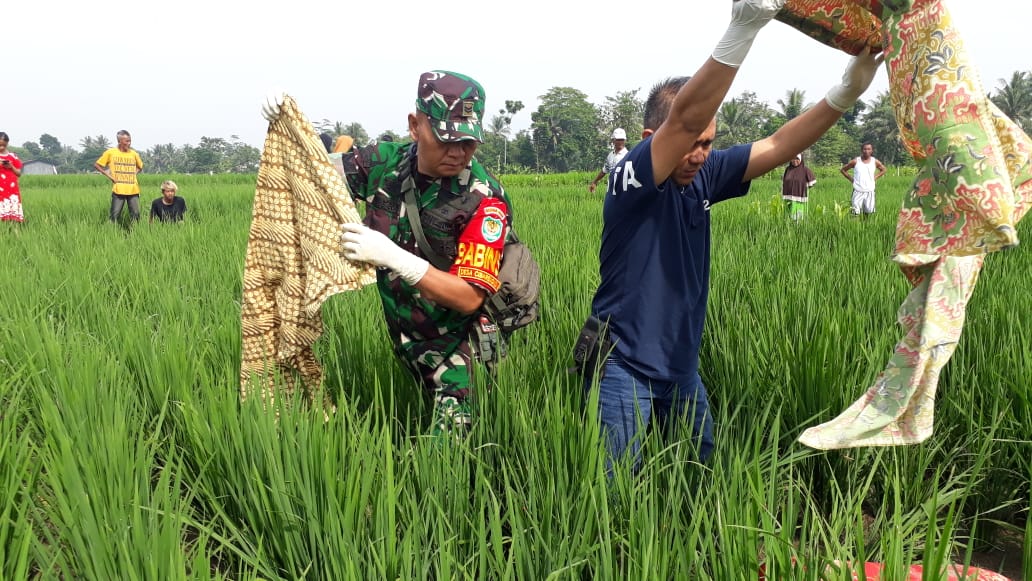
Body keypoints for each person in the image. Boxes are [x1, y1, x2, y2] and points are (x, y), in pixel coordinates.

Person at [582, 0, 883, 472]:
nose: (700, 153)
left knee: (701, 479)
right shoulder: (630, 178)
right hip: (623, 366)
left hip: (681, 368)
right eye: (691, 143)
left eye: (709, 143)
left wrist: (845, 93)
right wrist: (742, 30)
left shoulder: (703, 174)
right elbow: (682, 121)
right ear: (648, 137)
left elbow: (780, 144)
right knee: (616, 495)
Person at [262, 70, 510, 436]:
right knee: (416, 419)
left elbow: (469, 297)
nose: (457, 153)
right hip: (408, 334)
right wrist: (286, 124)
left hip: (462, 345)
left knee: (448, 457)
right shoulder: (383, 163)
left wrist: (397, 259)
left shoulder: (484, 199)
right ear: (415, 125)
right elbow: (312, 177)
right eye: (445, 139)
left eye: (468, 143)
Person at [94, 130, 144, 223]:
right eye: (126, 141)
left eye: (130, 141)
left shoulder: (133, 154)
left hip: (133, 189)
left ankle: (135, 233)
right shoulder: (111, 152)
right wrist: (110, 177)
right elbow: (97, 165)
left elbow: (140, 166)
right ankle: (112, 233)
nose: (129, 144)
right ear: (119, 141)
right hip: (118, 190)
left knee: (136, 215)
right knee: (114, 215)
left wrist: (134, 174)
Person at [840, 142, 885, 216]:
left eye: (869, 149)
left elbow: (883, 170)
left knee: (867, 213)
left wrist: (874, 178)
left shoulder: (875, 161)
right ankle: (854, 227)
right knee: (855, 213)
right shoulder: (855, 161)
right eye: (865, 149)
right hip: (858, 190)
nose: (866, 151)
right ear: (861, 150)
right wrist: (852, 180)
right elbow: (843, 170)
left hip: (870, 190)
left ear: (872, 150)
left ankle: (865, 227)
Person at [589, 128, 630, 193]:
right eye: (618, 139)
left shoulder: (628, 156)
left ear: (625, 140)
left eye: (622, 139)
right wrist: (594, 182)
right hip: (611, 191)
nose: (620, 142)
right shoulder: (610, 155)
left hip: (623, 192)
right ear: (613, 140)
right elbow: (604, 171)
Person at [782, 153, 817, 220]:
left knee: (797, 216)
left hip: (799, 197)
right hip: (788, 197)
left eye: (797, 159)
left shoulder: (805, 170)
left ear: (801, 159)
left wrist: (805, 187)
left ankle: (797, 227)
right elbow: (784, 181)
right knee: (787, 215)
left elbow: (813, 182)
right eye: (793, 158)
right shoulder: (788, 169)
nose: (795, 160)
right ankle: (787, 225)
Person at [0, 132, 25, 223]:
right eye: (0, 145)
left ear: (7, 144)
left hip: (12, 189)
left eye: (4, 145)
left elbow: (19, 173)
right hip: (0, 189)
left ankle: (15, 232)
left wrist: (11, 167)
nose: (1, 148)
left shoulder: (13, 156)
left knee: (13, 215)